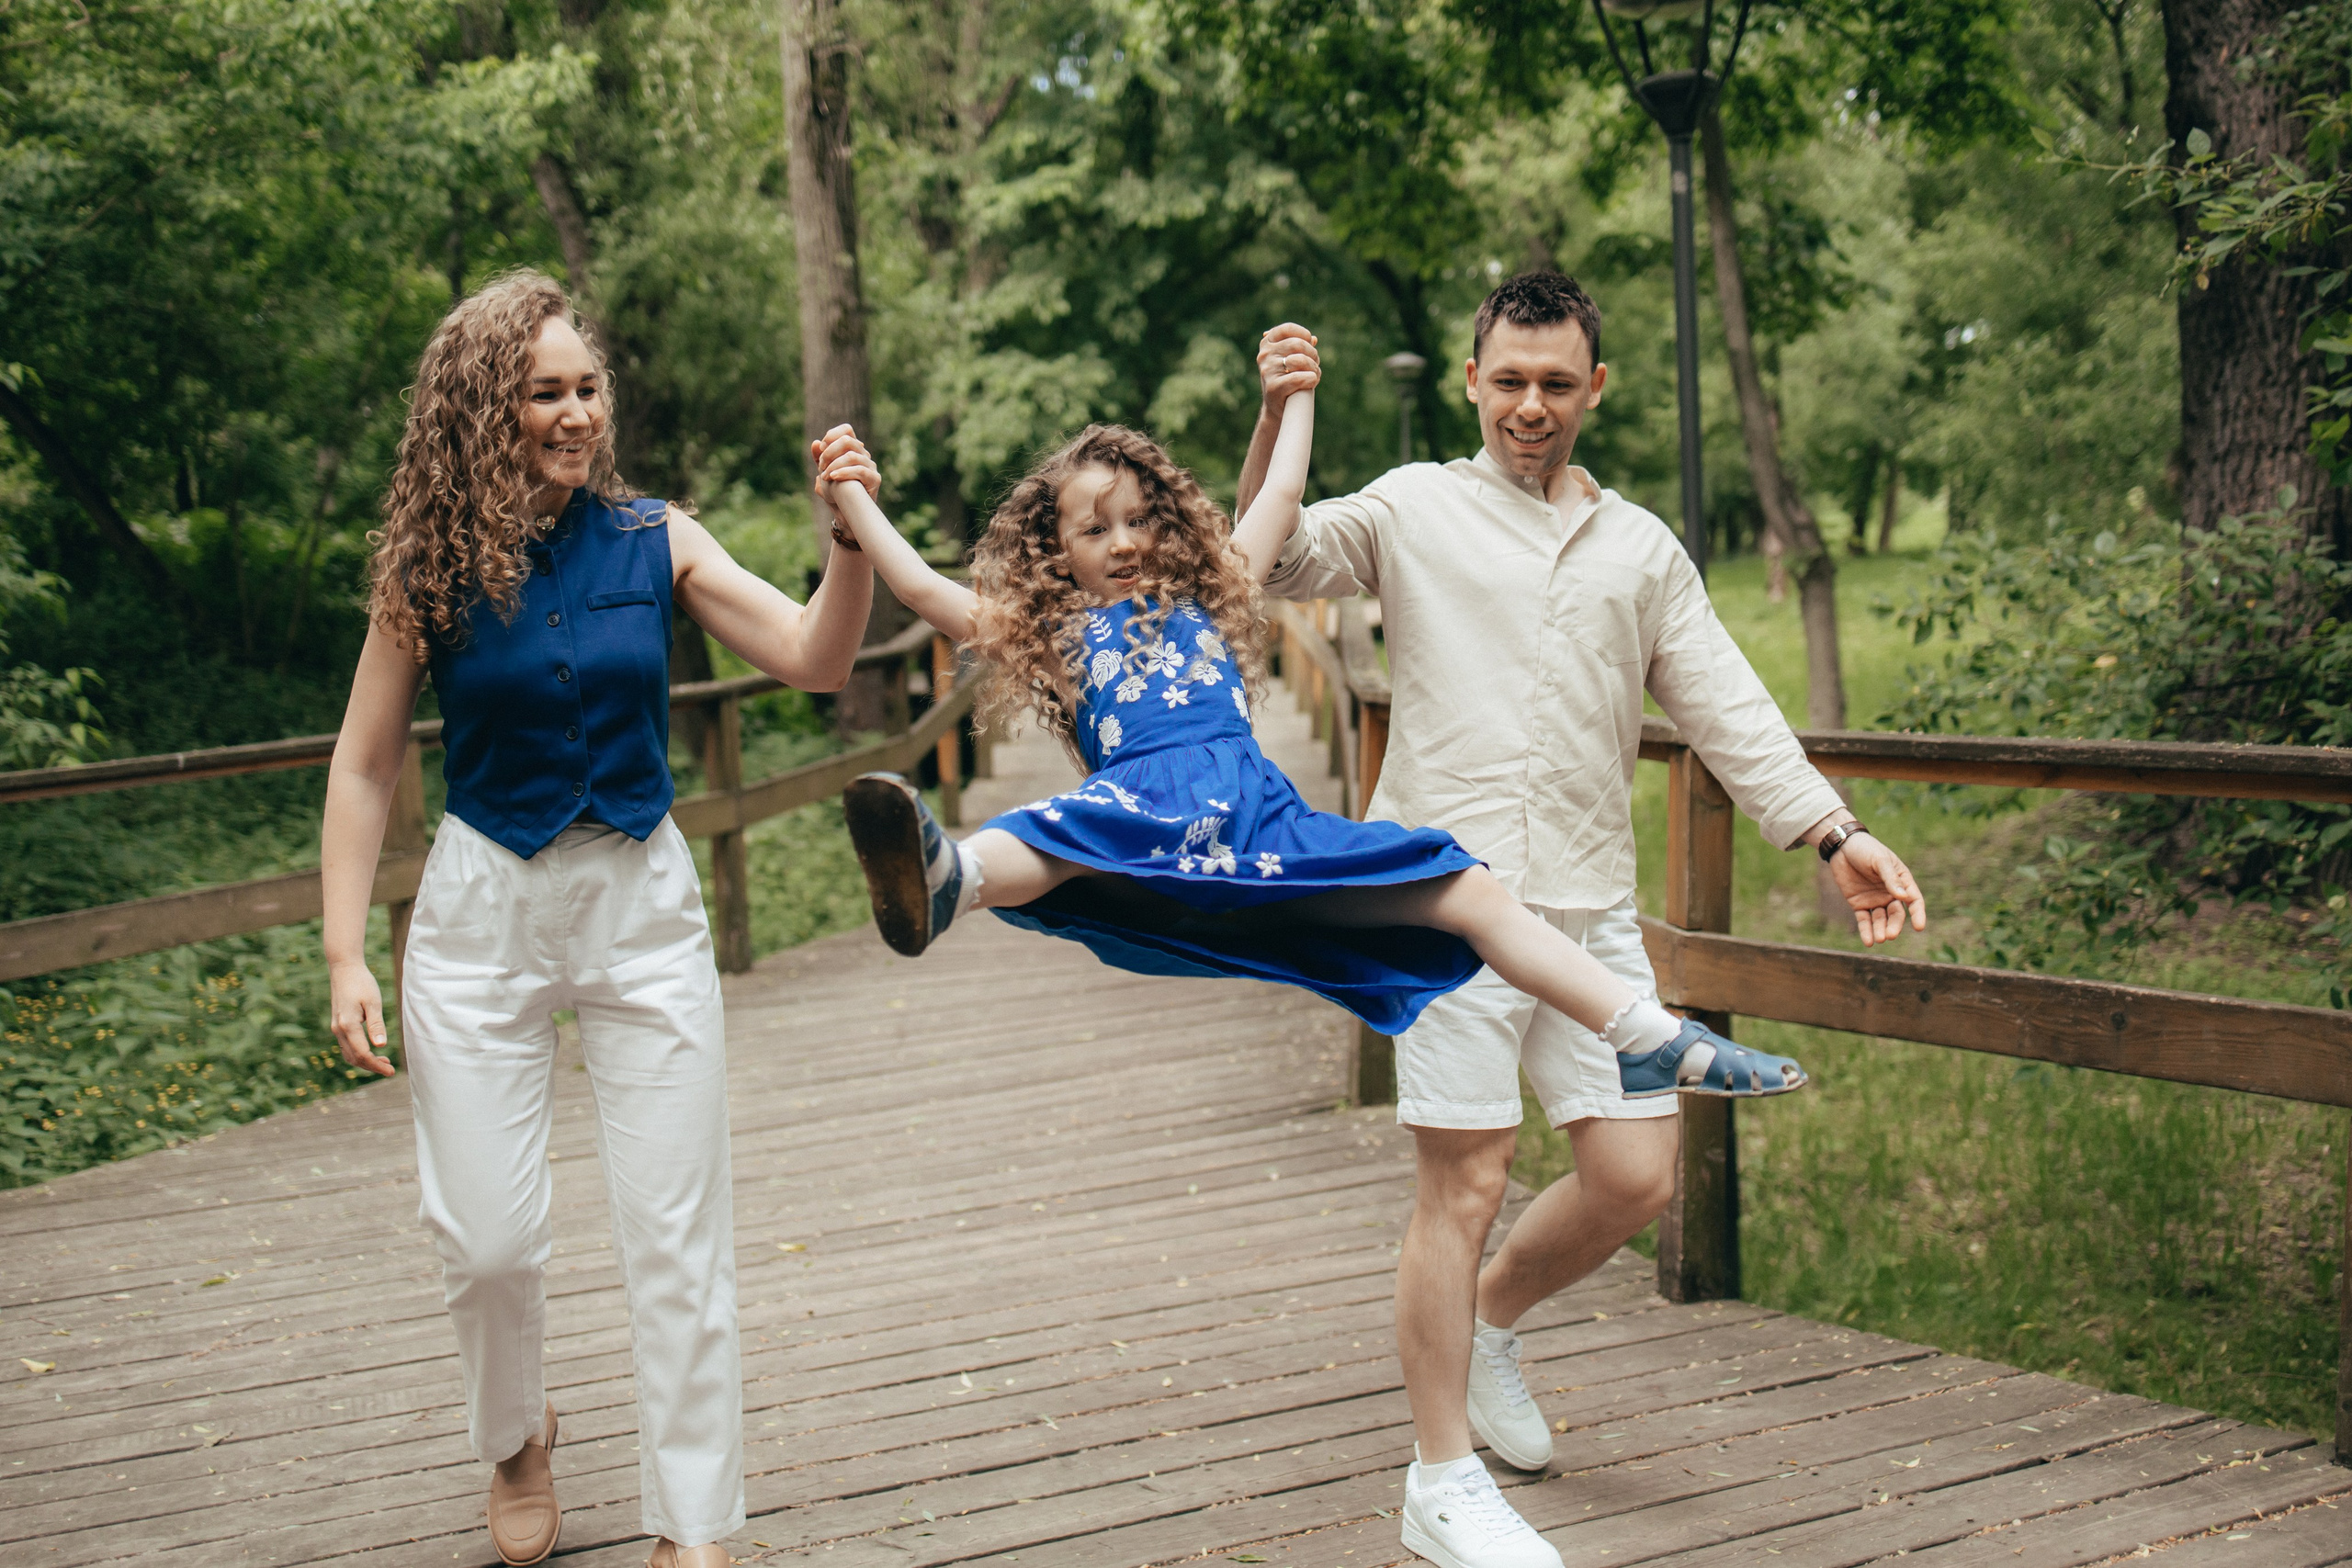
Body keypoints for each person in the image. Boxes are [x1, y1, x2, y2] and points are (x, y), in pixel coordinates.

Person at [1238, 272, 1929, 1568]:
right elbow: (1264, 560)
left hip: (1587, 908)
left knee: (1635, 1171)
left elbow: (1725, 701)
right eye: (1510, 380)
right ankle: (1439, 1478)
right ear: (1472, 380)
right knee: (1468, 1176)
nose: (1532, 406)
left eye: (1558, 383)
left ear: (1595, 388)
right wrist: (1281, 416)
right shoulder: (1412, 505)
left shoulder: (1641, 548)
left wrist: (1835, 831)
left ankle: (1493, 1316)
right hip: (1438, 902)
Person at [807, 384, 1806, 1133]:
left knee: (1467, 890)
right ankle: (954, 881)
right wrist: (854, 500)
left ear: (1169, 523)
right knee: (1062, 834)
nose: (1120, 542)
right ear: (1052, 552)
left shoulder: (1214, 592)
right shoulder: (1055, 635)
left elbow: (1284, 489)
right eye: (1091, 529)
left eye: (1138, 519)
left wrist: (1293, 398)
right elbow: (919, 587)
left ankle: (1643, 1036)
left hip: (1266, 823)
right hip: (1148, 813)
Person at [319, 270, 875, 1568]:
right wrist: (345, 946)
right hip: (481, 911)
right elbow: (362, 762)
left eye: (586, 388)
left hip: (639, 900)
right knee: (485, 1234)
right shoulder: (428, 567)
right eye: (544, 392)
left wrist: (846, 539)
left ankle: (692, 1524)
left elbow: (815, 656)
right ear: (479, 409)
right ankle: (518, 1434)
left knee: (677, 1233)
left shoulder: (655, 537)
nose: (575, 413)